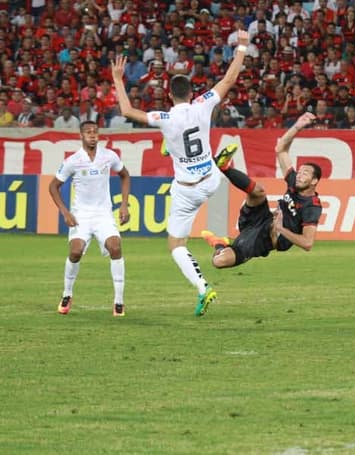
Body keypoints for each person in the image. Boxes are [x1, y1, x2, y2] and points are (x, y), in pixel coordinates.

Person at [110, 30, 250, 317]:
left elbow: (126, 110)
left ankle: (203, 288)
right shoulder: (203, 104)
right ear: (192, 92)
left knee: (175, 245)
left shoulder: (165, 117)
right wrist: (242, 48)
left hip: (186, 188)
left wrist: (117, 79)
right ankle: (216, 222)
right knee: (197, 156)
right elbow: (229, 79)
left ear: (170, 95)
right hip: (211, 180)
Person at [201, 112, 322, 271]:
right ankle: (223, 166)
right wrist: (297, 126)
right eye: (300, 171)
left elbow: (307, 244)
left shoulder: (312, 207)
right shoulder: (294, 182)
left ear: (314, 181)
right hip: (263, 218)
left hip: (265, 239)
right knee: (258, 192)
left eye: (305, 173)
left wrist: (281, 229)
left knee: (220, 261)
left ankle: (219, 244)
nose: (299, 174)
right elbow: (281, 149)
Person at [48, 120, 131, 316]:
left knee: (116, 247)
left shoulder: (109, 156)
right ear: (81, 136)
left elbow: (125, 175)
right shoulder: (73, 161)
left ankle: (119, 301)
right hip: (81, 216)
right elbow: (53, 187)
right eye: (88, 132)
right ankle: (67, 294)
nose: (92, 135)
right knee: (75, 252)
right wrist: (65, 212)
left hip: (103, 215)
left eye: (95, 131)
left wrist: (124, 204)